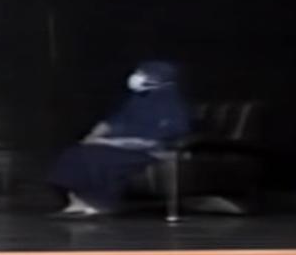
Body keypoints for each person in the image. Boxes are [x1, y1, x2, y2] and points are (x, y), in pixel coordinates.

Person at [47, 61, 190, 217]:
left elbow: (151, 141)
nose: (137, 77)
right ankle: (76, 202)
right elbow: (113, 121)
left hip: (144, 151)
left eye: (143, 74)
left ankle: (98, 204)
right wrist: (93, 135)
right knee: (74, 154)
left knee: (96, 159)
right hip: (116, 145)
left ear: (158, 78)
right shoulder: (138, 99)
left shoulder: (171, 105)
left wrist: (106, 142)